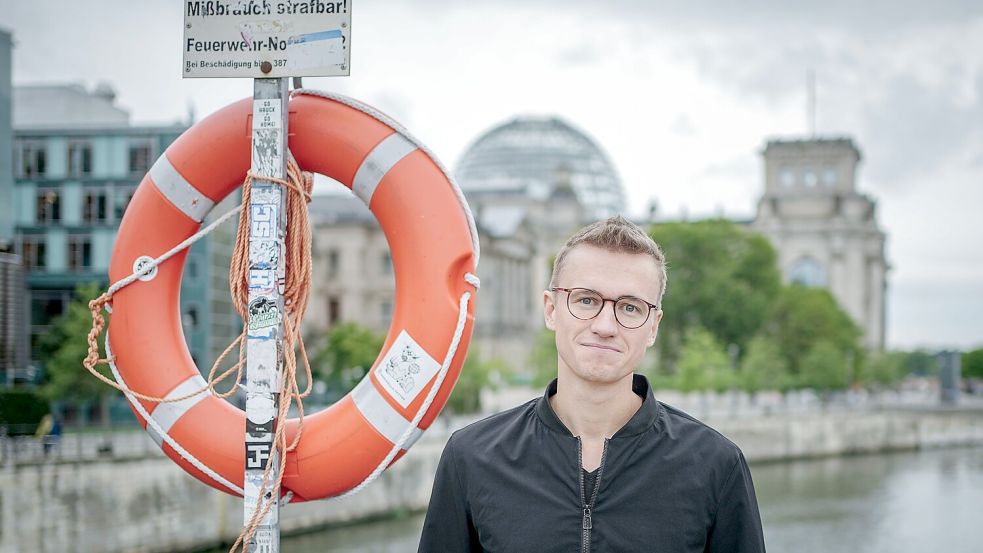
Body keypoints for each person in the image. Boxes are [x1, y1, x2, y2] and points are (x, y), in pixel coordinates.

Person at [418, 216, 766, 552]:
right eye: (586, 300)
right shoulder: (471, 457)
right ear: (551, 310)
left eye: (630, 307)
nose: (605, 325)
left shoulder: (716, 466)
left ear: (654, 326)